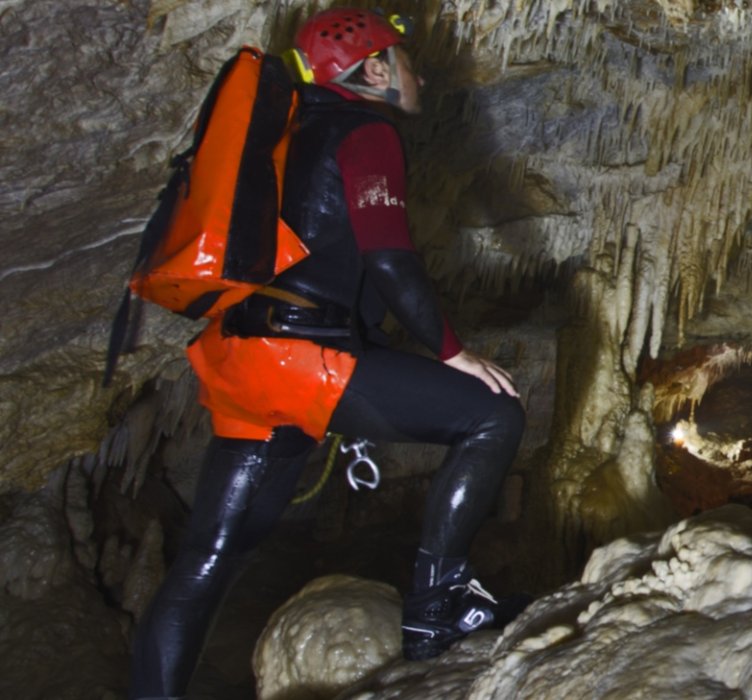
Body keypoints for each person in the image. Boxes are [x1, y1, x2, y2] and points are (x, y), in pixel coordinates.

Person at [130, 9, 524, 697]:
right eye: (405, 60)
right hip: (301, 359)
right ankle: (439, 609)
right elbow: (392, 261)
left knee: (207, 561)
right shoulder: (367, 132)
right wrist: (453, 354)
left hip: (242, 358)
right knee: (493, 416)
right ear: (372, 70)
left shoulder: (289, 133)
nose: (418, 73)